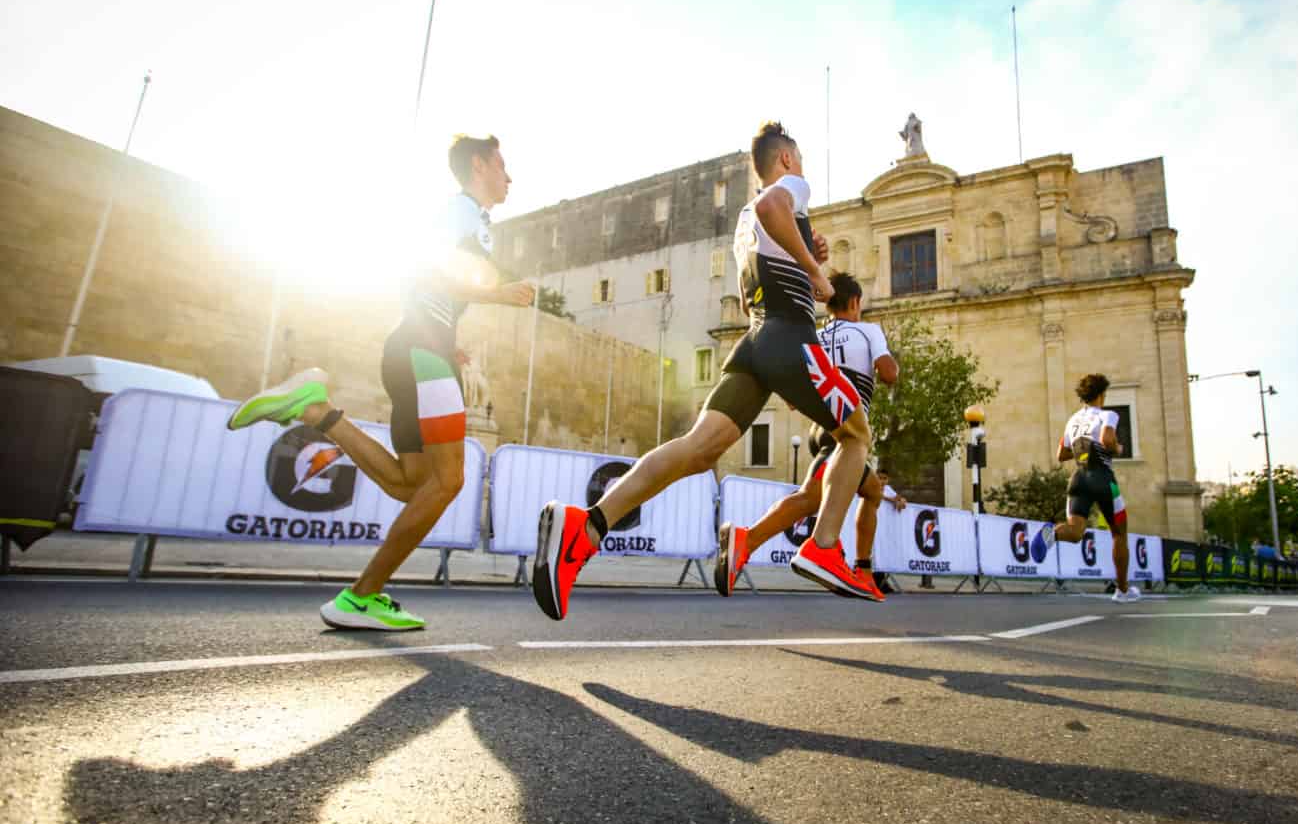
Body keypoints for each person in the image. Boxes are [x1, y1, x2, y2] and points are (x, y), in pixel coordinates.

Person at [531, 121, 879, 620]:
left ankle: (585, 527)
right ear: (785, 160)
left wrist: (804, 254)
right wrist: (817, 272)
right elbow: (773, 207)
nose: (801, 172)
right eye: (798, 161)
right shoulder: (788, 190)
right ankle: (824, 547)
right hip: (787, 335)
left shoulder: (742, 223)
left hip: (753, 343)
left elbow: (750, 281)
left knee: (698, 449)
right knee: (856, 434)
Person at [226, 134, 535, 630]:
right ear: (479, 166)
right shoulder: (459, 211)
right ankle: (362, 595)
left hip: (420, 348)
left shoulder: (471, 220)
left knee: (409, 483)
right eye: (502, 165)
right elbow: (421, 269)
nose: (510, 177)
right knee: (449, 480)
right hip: (422, 352)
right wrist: (495, 295)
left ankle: (315, 411)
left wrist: (443, 333)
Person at [716, 272, 902, 595]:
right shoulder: (869, 330)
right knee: (808, 499)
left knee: (869, 491)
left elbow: (791, 398)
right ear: (856, 302)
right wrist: (885, 360)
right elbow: (889, 374)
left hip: (822, 426)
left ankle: (864, 570)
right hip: (847, 430)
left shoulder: (816, 335)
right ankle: (748, 540)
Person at [1034, 373, 1137, 602]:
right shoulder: (1108, 415)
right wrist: (1117, 448)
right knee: (1119, 533)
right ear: (1101, 395)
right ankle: (1122, 590)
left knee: (1074, 531)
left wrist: (1083, 449)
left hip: (1078, 478)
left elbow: (1061, 454)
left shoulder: (1072, 420)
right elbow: (1108, 440)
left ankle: (1051, 533)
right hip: (1102, 479)